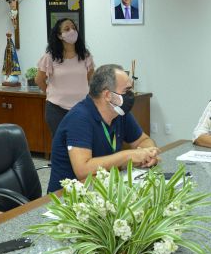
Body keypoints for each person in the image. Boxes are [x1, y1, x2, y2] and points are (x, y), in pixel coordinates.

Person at [47, 64, 160, 193]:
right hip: (68, 198)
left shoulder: (119, 112)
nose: (130, 95)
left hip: (104, 188)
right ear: (107, 95)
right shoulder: (79, 118)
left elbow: (143, 140)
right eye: (126, 91)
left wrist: (148, 154)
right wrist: (129, 156)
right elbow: (82, 170)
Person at [35, 18, 95, 138]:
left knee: (81, 143)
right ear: (59, 35)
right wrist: (51, 92)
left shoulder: (85, 55)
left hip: (82, 108)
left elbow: (91, 79)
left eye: (73, 28)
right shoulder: (50, 57)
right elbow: (39, 80)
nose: (72, 31)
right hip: (56, 109)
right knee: (61, 145)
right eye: (67, 29)